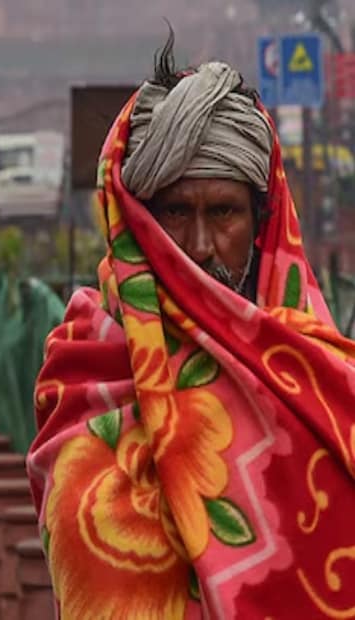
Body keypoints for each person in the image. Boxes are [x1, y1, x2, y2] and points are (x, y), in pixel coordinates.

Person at [26, 34, 355, 619]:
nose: (200, 247)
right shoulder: (87, 365)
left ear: (260, 221)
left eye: (223, 212)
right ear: (138, 222)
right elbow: (86, 549)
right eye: (176, 212)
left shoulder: (323, 379)